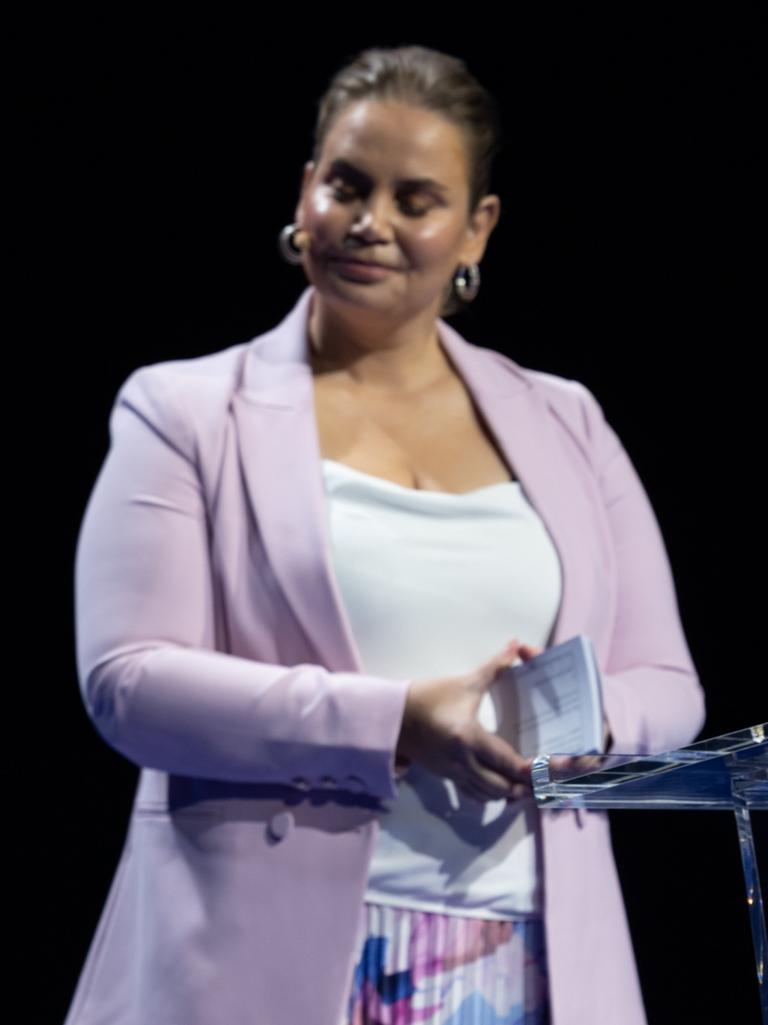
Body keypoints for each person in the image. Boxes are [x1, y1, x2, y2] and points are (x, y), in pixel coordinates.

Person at [65, 45, 706, 1025]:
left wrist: (564, 722)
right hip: (257, 962)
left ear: (475, 228)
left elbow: (667, 685)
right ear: (305, 190)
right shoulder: (187, 410)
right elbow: (131, 681)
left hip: (525, 959)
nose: (371, 223)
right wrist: (396, 719)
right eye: (346, 185)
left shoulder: (566, 420)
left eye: (417, 199)